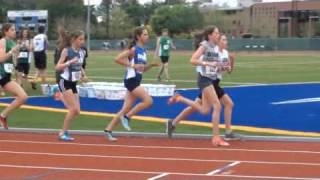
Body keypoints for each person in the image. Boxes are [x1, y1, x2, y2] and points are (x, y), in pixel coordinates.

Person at [167, 34, 239, 141]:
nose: (226, 42)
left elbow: (229, 71)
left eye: (226, 40)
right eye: (224, 40)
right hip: (209, 83)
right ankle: (227, 132)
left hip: (215, 84)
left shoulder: (225, 53)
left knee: (196, 107)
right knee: (213, 107)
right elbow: (205, 67)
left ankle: (173, 123)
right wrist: (217, 67)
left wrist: (232, 62)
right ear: (218, 42)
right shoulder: (213, 53)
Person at [104, 26, 158, 141]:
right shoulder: (134, 49)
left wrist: (150, 66)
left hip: (137, 79)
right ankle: (127, 117)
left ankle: (108, 130)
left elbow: (142, 69)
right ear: (138, 37)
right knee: (148, 101)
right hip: (131, 80)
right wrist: (132, 65)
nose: (147, 36)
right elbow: (117, 59)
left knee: (126, 107)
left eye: (147, 34)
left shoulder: (143, 51)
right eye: (144, 34)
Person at [55, 30, 88, 141]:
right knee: (73, 109)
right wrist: (69, 62)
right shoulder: (66, 51)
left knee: (77, 111)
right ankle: (62, 133)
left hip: (73, 82)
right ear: (74, 39)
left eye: (83, 39)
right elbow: (58, 67)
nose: (83, 41)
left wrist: (83, 75)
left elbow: (80, 65)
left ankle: (60, 96)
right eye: (80, 39)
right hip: (64, 81)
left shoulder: (82, 52)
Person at [0, 23, 28, 129]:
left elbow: (11, 61)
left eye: (15, 29)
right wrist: (12, 51)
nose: (14, 31)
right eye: (12, 30)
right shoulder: (3, 41)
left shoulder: (12, 42)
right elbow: (1, 59)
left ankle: (3, 116)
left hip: (6, 76)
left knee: (23, 97)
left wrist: (18, 70)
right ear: (5, 31)